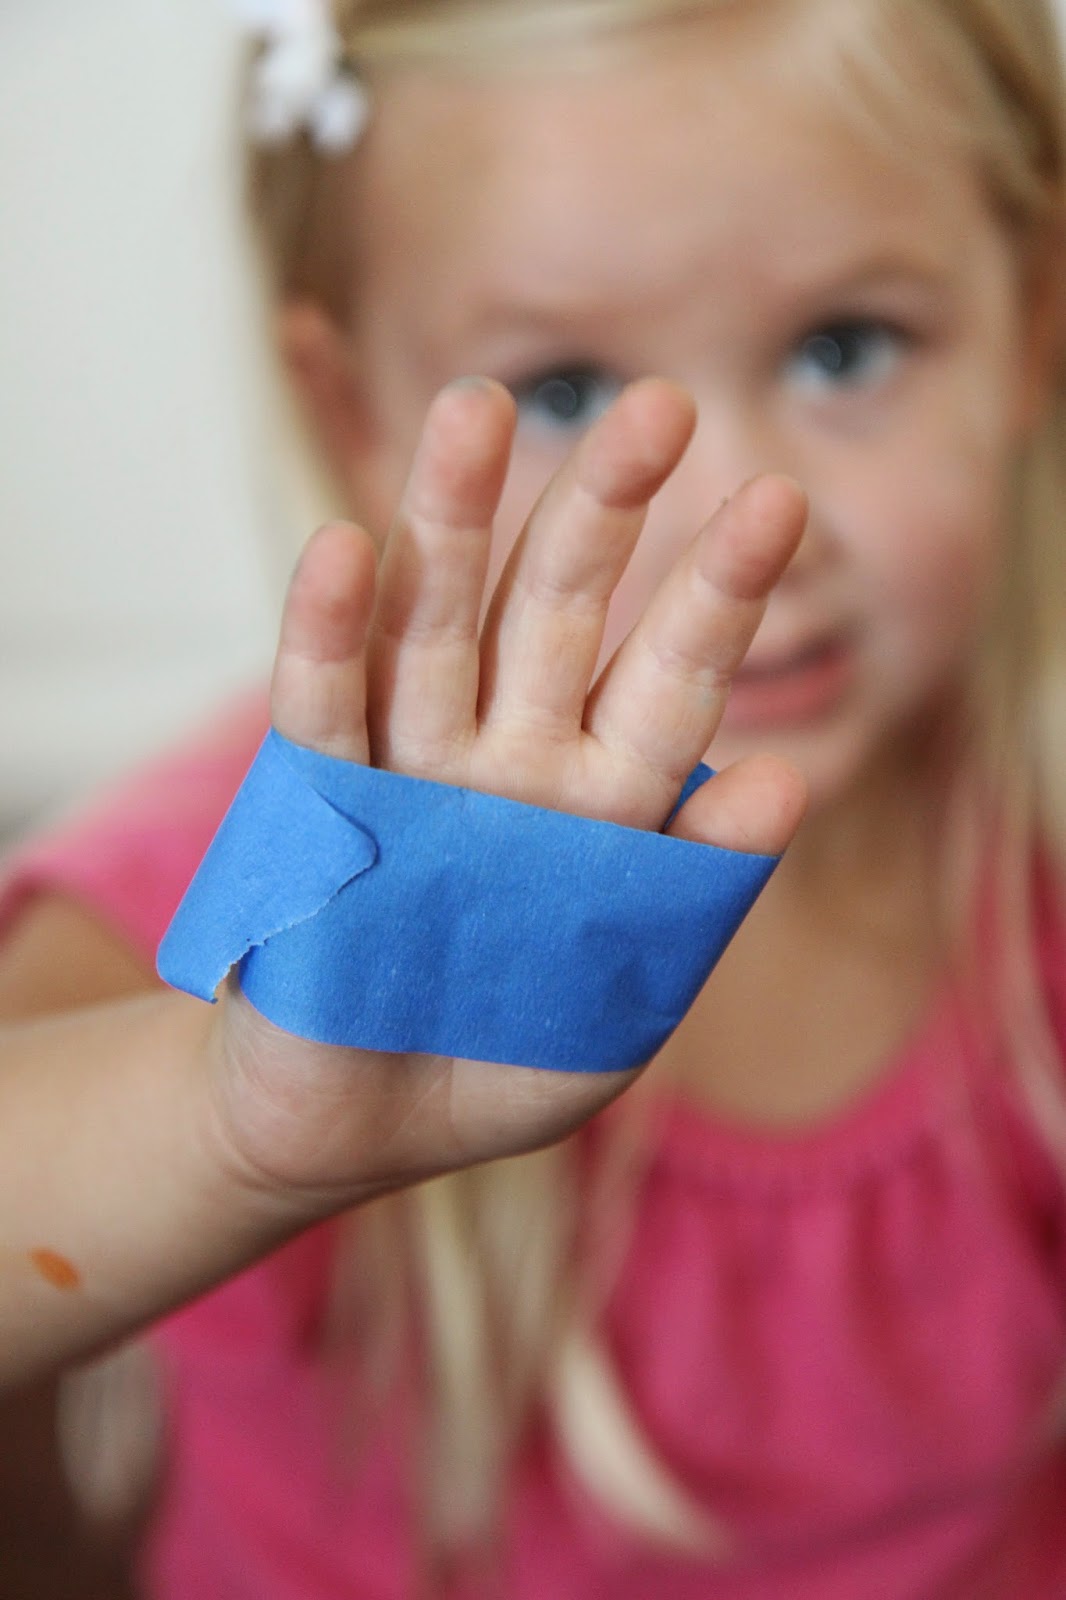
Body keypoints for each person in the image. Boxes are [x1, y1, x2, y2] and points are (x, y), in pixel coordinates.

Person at [1, 0, 1065, 1594]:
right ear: (355, 407)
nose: (744, 521)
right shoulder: (296, 876)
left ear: (1035, 324)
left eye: (845, 347)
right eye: (563, 389)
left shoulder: (1027, 848)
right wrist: (227, 1118)